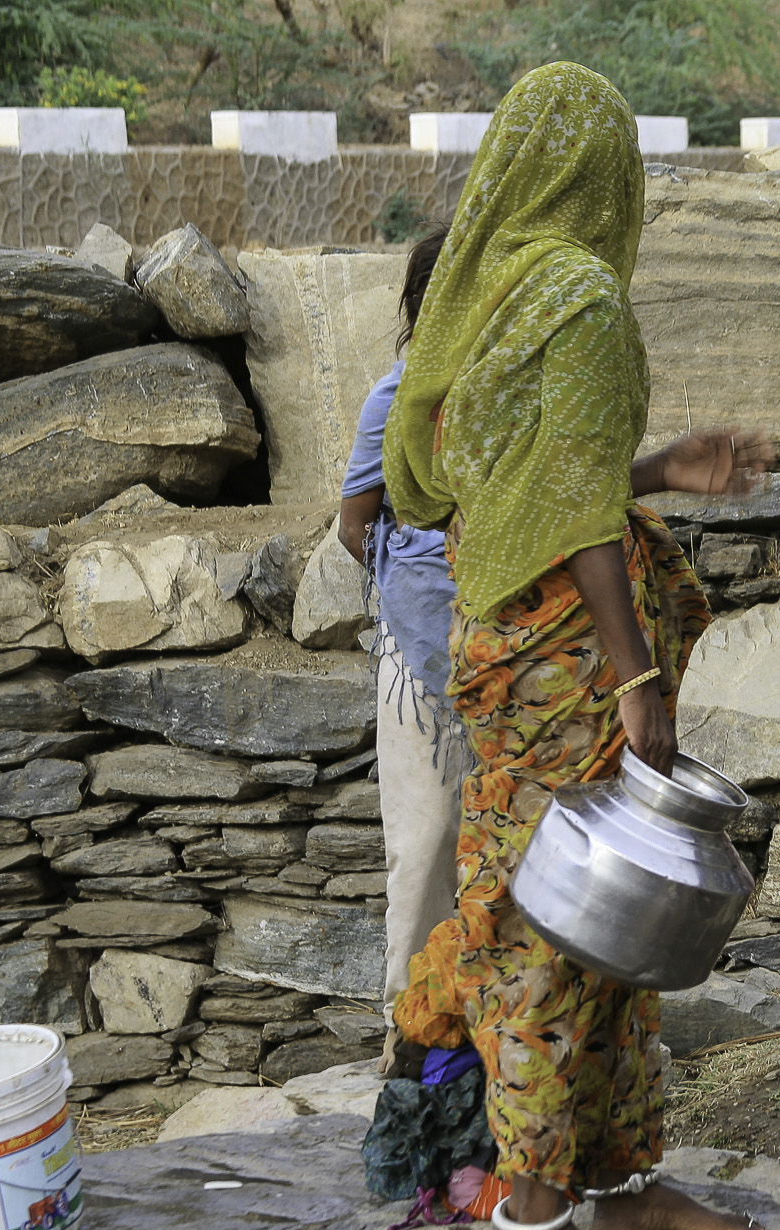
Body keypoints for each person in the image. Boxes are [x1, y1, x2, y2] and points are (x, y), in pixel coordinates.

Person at [380, 63, 770, 1230]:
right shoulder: (581, 298)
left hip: (504, 641)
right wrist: (635, 671)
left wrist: (659, 466)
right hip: (570, 664)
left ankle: (617, 1181)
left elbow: (522, 485)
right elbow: (574, 518)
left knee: (611, 904)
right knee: (551, 925)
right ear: (605, 176)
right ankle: (533, 1214)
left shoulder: (480, 297)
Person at [336, 225, 461, 1071]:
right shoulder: (395, 398)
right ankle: (410, 1027)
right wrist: (414, 581)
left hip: (505, 640)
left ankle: (488, 1014)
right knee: (424, 839)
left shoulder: (503, 394)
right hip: (419, 651)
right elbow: (355, 526)